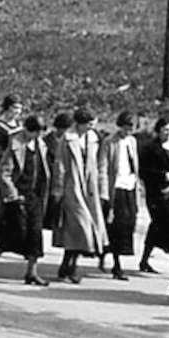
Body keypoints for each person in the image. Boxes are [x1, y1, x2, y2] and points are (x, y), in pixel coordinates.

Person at [0, 113, 51, 285]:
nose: (38, 136)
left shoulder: (41, 145)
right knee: (14, 234)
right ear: (27, 130)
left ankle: (31, 273)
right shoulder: (15, 145)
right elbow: (4, 172)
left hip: (34, 196)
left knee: (35, 234)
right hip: (17, 196)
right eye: (35, 132)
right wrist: (13, 194)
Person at [49, 110, 106, 283]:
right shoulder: (67, 139)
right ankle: (69, 267)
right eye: (88, 124)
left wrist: (102, 189)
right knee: (79, 226)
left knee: (84, 228)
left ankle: (68, 266)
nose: (91, 127)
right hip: (71, 187)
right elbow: (59, 165)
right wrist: (58, 190)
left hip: (88, 187)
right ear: (80, 123)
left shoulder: (93, 138)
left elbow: (97, 165)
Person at [136, 116, 169, 275]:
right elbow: (144, 171)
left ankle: (144, 259)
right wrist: (162, 176)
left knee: (157, 227)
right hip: (157, 194)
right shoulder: (151, 148)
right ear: (159, 131)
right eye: (165, 130)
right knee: (168, 225)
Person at [102, 111, 142, 281]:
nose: (129, 131)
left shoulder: (132, 142)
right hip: (115, 186)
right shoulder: (109, 142)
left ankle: (116, 255)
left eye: (132, 128)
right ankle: (115, 263)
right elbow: (103, 167)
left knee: (129, 223)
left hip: (130, 186)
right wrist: (104, 191)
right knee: (115, 224)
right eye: (126, 127)